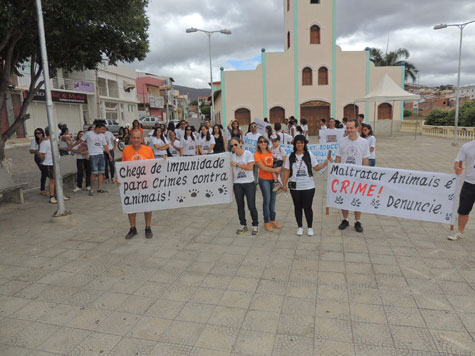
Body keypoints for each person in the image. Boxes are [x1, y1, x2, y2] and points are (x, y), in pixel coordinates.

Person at [283, 135, 331, 236]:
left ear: (304, 144)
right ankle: (299, 227)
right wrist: (284, 184)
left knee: (307, 207)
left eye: (301, 142)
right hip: (295, 186)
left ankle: (310, 227)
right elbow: (287, 170)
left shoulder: (309, 154)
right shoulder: (290, 156)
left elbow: (316, 167)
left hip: (308, 186)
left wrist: (324, 164)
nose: (299, 144)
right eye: (297, 142)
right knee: (297, 207)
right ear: (294, 144)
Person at [118, 129, 155, 239]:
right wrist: (119, 178)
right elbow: (123, 167)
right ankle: (132, 228)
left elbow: (154, 166)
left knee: (147, 206)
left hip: (146, 183)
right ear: (130, 139)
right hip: (131, 184)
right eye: (133, 137)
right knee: (131, 207)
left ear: (142, 139)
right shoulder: (126, 150)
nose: (136, 140)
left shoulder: (148, 150)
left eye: (138, 137)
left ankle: (148, 227)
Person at [336, 119, 370, 233]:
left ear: (357, 128)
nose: (349, 130)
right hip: (344, 176)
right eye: (348, 128)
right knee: (344, 197)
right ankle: (345, 219)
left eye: (351, 128)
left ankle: (357, 221)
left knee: (357, 198)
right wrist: (336, 172)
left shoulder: (364, 142)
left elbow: (365, 159)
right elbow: (338, 157)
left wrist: (365, 174)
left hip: (358, 176)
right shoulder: (341, 141)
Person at [230, 138, 259, 235]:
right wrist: (232, 184)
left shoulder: (248, 154)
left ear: (240, 144)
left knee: (251, 205)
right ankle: (243, 225)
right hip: (237, 184)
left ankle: (255, 225)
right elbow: (232, 172)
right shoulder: (232, 156)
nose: (234, 147)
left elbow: (250, 168)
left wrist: (237, 165)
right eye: (232, 146)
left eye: (235, 144)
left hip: (249, 183)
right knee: (240, 206)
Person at [254, 136, 282, 232]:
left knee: (273, 201)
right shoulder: (257, 155)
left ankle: (272, 219)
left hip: (273, 180)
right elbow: (263, 168)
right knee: (267, 200)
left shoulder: (270, 152)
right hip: (264, 180)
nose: (263, 143)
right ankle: (266, 222)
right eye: (261, 142)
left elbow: (275, 163)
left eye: (265, 141)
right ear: (258, 144)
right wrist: (275, 170)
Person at [79, 123, 112, 196]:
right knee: (94, 173)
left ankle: (99, 188)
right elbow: (81, 140)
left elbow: (105, 145)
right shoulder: (89, 133)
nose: (103, 131)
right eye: (102, 129)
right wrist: (73, 146)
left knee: (101, 172)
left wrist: (109, 154)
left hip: (101, 154)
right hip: (93, 155)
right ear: (97, 128)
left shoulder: (102, 135)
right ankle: (91, 189)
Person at [39, 127, 70, 204]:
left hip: (56, 162)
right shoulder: (45, 142)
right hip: (49, 164)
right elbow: (41, 154)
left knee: (58, 179)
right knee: (52, 180)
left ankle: (60, 194)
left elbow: (56, 147)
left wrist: (65, 148)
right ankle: (52, 196)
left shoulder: (53, 141)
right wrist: (45, 159)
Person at [29, 128, 49, 196]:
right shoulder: (34, 141)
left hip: (47, 157)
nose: (37, 135)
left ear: (42, 133)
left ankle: (48, 186)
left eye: (39, 133)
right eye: (36, 133)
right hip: (38, 157)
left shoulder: (46, 139)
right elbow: (31, 151)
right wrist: (38, 150)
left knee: (47, 172)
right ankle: (42, 189)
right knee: (44, 172)